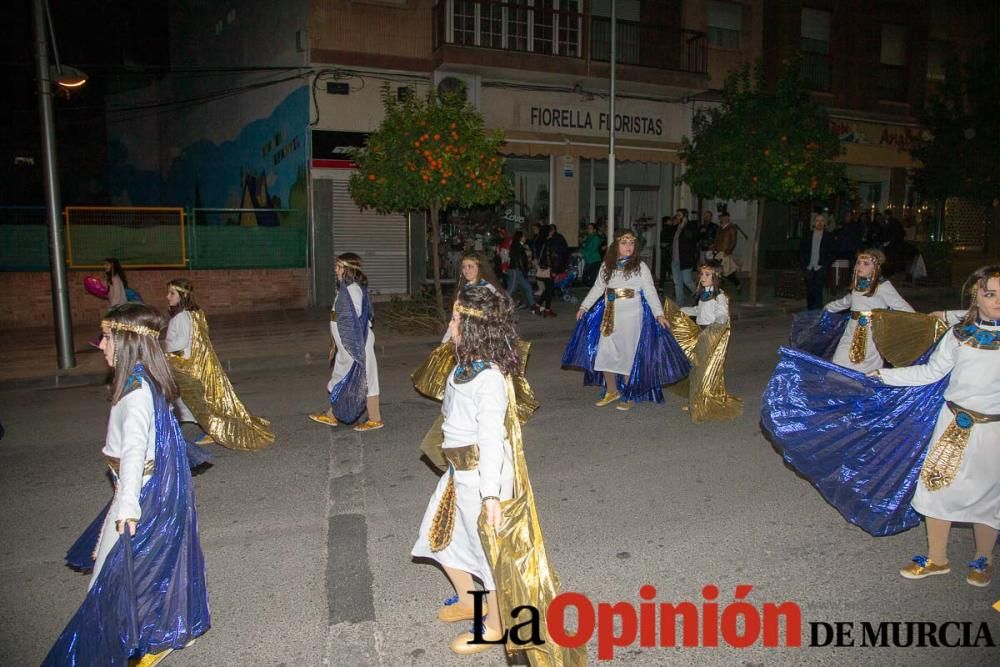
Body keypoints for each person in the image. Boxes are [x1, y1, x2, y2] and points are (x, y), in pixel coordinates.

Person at [411, 286, 583, 663]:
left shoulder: (489, 378)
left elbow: (491, 439)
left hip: (482, 479)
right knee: (436, 538)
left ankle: (493, 626)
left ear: (473, 329)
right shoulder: (462, 365)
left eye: (456, 320)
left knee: (490, 561)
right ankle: (468, 603)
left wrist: (491, 497)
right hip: (459, 474)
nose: (450, 324)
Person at [44, 303, 210, 666]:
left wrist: (128, 507)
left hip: (141, 494)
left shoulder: (136, 392)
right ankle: (158, 634)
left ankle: (145, 640)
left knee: (114, 576)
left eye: (107, 338)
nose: (101, 345)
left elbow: (134, 453)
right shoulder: (145, 381)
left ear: (127, 342)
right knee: (143, 570)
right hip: (144, 490)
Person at [873, 266, 1000, 586]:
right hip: (954, 425)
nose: (998, 300)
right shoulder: (959, 336)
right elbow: (929, 372)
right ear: (977, 297)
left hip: (995, 431)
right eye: (990, 294)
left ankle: (983, 558)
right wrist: (884, 375)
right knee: (935, 488)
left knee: (990, 497)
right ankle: (937, 558)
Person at [563, 230, 690, 410]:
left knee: (628, 355)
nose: (628, 247)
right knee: (605, 353)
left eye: (631, 243)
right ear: (616, 245)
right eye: (624, 243)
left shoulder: (640, 267)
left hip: (632, 316)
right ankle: (612, 391)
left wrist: (658, 313)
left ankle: (630, 393)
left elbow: (650, 291)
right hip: (610, 316)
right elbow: (598, 288)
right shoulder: (607, 266)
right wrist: (584, 306)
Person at [164, 279, 275, 449]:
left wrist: (163, 345)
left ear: (182, 296)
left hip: (185, 366)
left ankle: (213, 429)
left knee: (196, 401)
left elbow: (182, 341)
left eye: (172, 293)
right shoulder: (195, 313)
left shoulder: (181, 317)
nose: (167, 297)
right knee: (186, 400)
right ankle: (186, 425)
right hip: (193, 364)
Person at [309, 253, 384, 431]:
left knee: (365, 378)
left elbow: (357, 321)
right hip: (348, 345)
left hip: (357, 344)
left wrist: (353, 348)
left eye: (339, 267)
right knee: (344, 377)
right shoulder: (347, 289)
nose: (336, 270)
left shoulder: (353, 291)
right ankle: (331, 415)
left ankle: (375, 418)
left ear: (348, 269)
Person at [665, 261, 743, 422]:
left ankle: (702, 402)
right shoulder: (705, 294)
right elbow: (698, 311)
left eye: (707, 274)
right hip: (702, 332)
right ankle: (695, 400)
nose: (702, 277)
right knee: (696, 368)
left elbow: (722, 314)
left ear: (715, 277)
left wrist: (720, 320)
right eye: (701, 274)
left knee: (703, 370)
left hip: (711, 334)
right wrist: (682, 310)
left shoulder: (719, 296)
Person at [823, 248, 915, 372]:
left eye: (866, 264)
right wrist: (826, 309)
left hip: (872, 332)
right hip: (852, 329)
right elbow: (847, 302)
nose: (860, 267)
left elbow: (902, 307)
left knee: (867, 366)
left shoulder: (882, 286)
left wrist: (918, 322)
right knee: (840, 361)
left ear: (875, 267)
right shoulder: (859, 285)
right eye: (858, 263)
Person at [800, 213, 836, 310]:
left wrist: (826, 264)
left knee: (818, 289)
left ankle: (817, 310)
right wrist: (804, 263)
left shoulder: (828, 236)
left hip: (821, 266)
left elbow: (833, 252)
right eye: (817, 221)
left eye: (822, 221)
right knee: (810, 289)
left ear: (824, 223)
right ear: (814, 223)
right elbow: (802, 249)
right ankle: (810, 309)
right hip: (809, 266)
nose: (819, 223)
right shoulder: (808, 235)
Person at [670, 209, 699, 305]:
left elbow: (691, 240)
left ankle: (699, 295)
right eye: (676, 215)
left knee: (687, 281)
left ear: (685, 216)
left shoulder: (690, 226)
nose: (677, 217)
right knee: (677, 283)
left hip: (685, 259)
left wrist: (684, 227)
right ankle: (679, 304)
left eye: (679, 215)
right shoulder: (676, 227)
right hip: (675, 259)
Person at [711, 212, 741, 294]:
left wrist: (728, 251)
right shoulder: (720, 228)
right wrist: (714, 248)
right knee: (718, 271)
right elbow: (716, 240)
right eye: (720, 218)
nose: (720, 219)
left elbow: (733, 241)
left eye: (722, 217)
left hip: (725, 252)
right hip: (718, 252)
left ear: (727, 218)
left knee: (727, 272)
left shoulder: (731, 228)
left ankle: (737, 284)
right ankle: (720, 288)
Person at [505, 231, 535, 310]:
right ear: (520, 237)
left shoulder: (519, 246)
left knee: (528, 287)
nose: (525, 238)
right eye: (524, 236)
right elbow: (520, 260)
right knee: (511, 290)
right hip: (516, 270)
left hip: (519, 271)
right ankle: (499, 304)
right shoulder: (517, 246)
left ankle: (533, 306)